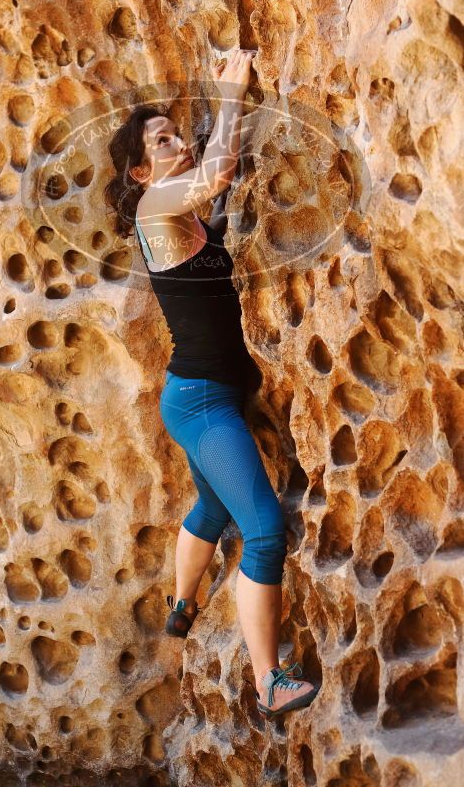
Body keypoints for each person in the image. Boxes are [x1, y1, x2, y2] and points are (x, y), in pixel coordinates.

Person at [105, 50, 319, 718]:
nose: (175, 141)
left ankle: (181, 604)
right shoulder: (154, 205)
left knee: (213, 508)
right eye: (160, 139)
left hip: (200, 395)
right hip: (201, 401)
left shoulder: (181, 211)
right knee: (263, 531)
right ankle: (268, 682)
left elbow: (215, 184)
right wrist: (231, 92)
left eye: (175, 132)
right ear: (140, 170)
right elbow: (219, 169)